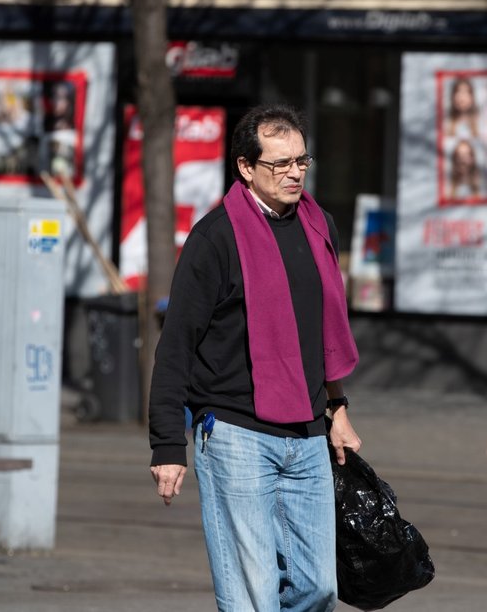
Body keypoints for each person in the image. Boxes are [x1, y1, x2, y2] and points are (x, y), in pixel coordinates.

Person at [148, 103, 362, 612]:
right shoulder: (214, 238)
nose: (294, 173)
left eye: (301, 162)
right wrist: (166, 446)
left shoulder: (318, 224)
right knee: (253, 596)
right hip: (236, 434)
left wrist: (338, 409)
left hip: (308, 433)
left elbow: (323, 330)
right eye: (279, 164)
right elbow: (176, 344)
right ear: (246, 167)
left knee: (320, 589)